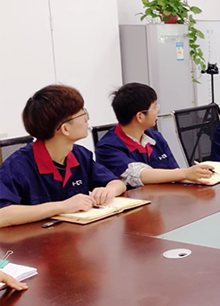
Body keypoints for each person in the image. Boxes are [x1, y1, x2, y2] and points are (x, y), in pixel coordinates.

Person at [0, 85, 126, 228]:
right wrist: (63, 206)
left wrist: (108, 191)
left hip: (75, 235)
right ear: (65, 129)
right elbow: (2, 215)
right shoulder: (18, 166)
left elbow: (118, 183)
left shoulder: (79, 155)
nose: (87, 119)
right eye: (82, 114)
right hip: (37, 239)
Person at [95, 83, 213, 188]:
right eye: (155, 107)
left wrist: (195, 176)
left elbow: (173, 171)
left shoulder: (155, 137)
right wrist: (185, 173)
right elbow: (139, 175)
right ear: (140, 116)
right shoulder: (107, 147)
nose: (158, 111)